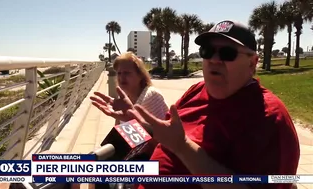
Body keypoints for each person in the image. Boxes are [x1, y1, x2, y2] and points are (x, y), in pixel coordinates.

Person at [90, 20, 300, 189]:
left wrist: (183, 147)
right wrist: (135, 121)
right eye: (208, 52)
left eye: (227, 53)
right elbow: (163, 142)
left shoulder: (269, 118)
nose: (214, 60)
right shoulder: (196, 91)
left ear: (253, 63)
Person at [91, 51, 168, 157]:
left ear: (140, 75)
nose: (121, 77)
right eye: (119, 73)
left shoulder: (151, 96)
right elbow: (118, 131)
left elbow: (161, 143)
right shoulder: (123, 98)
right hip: (130, 153)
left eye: (127, 73)